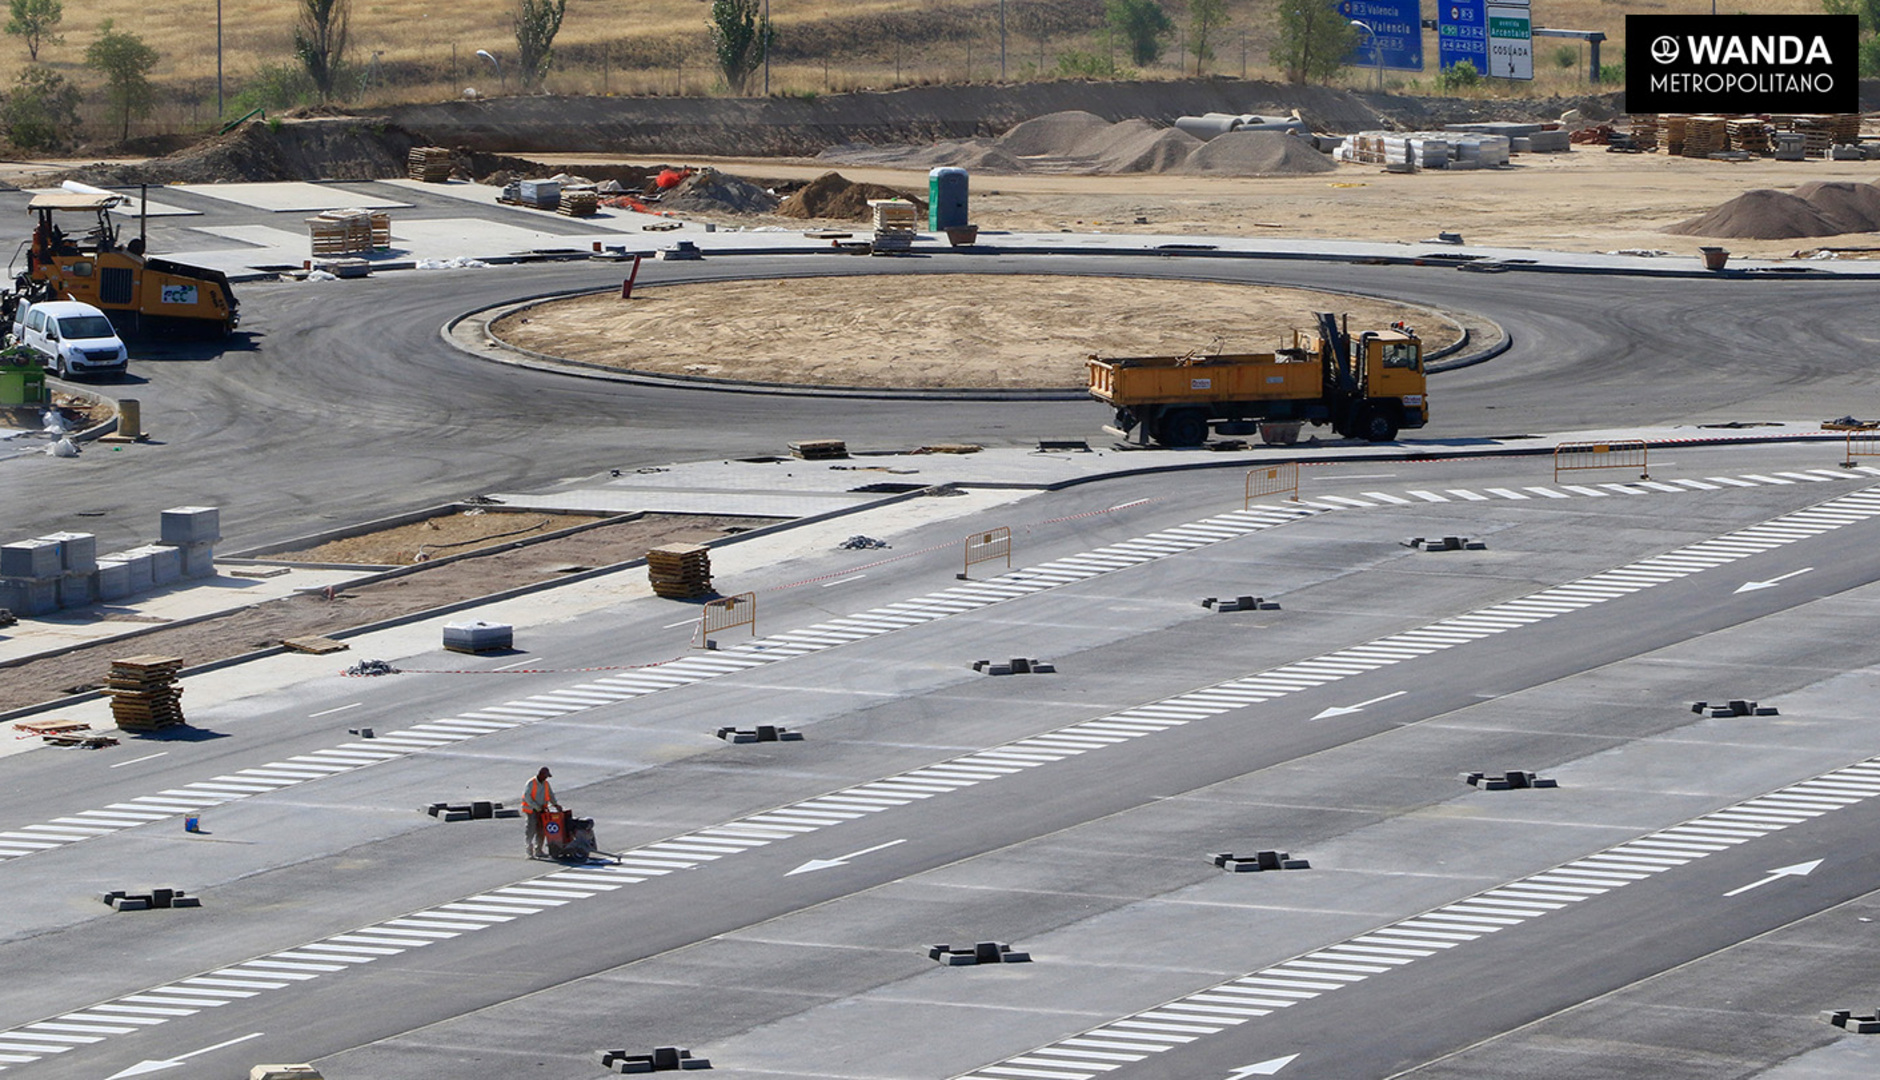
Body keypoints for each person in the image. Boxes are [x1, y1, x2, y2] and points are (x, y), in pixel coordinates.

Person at [522, 767, 560, 858]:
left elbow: (551, 795)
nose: (546, 778)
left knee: (541, 830)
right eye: (545, 776)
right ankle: (529, 851)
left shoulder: (546, 784)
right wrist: (536, 807)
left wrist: (556, 805)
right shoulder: (531, 783)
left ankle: (538, 850)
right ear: (540, 774)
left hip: (542, 810)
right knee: (531, 829)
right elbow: (527, 797)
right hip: (531, 810)